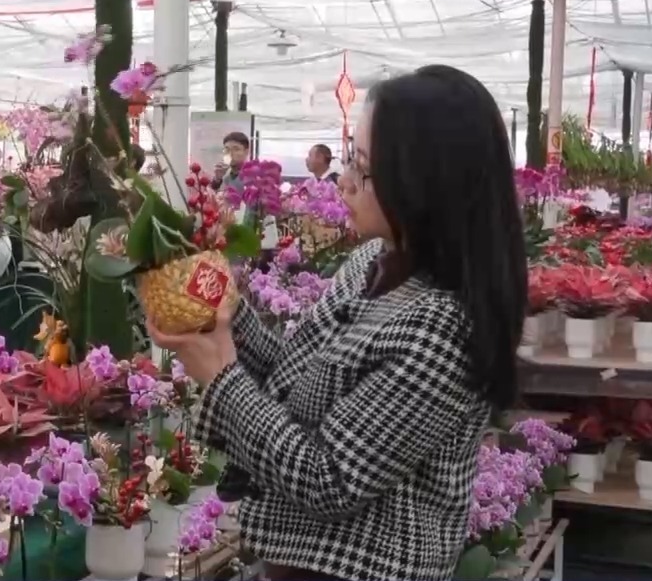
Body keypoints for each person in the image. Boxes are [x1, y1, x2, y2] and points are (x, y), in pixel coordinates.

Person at [149, 65, 526, 581]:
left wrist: (220, 377)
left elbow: (330, 480)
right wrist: (224, 312)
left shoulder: (443, 329)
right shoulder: (372, 262)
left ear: (424, 185)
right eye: (349, 156)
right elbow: (298, 378)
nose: (345, 181)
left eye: (365, 169)